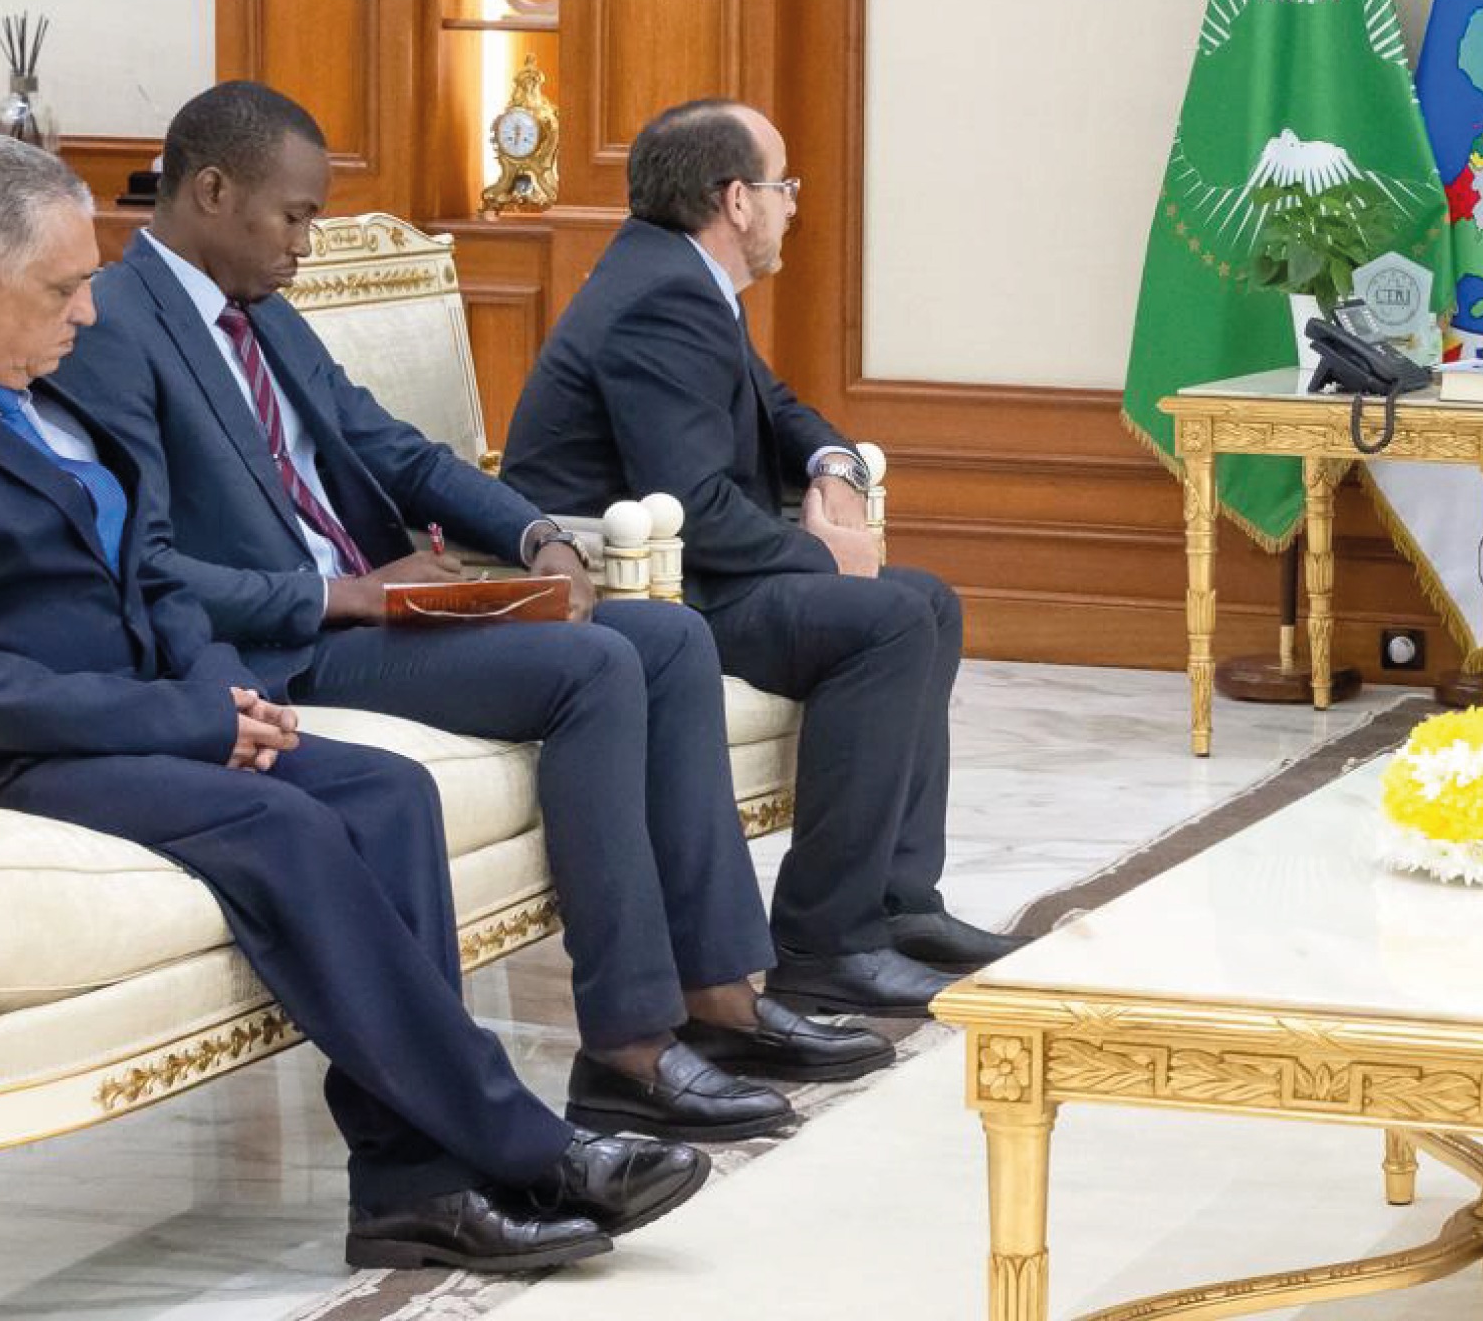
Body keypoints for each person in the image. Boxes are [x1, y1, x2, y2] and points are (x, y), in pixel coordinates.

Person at [0, 133, 705, 1272]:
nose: (89, 316)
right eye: (65, 289)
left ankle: (411, 1190)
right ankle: (524, 1144)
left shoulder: (41, 394)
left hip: (156, 717)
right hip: (11, 764)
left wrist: (222, 692)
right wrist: (190, 724)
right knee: (290, 822)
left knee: (390, 795)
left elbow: (150, 574)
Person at [50, 82, 889, 1143]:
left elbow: (393, 449)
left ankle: (717, 991)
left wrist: (534, 531)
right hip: (293, 644)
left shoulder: (258, 308)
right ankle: (627, 1047)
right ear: (212, 191)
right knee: (592, 669)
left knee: (667, 637)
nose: (307, 242)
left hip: (389, 601)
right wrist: (342, 594)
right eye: (296, 215)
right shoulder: (116, 326)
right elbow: (149, 565)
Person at [500, 99, 1020, 1017]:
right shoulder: (662, 298)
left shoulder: (683, 276)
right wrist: (824, 558)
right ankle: (827, 940)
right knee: (891, 618)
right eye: (784, 188)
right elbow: (691, 506)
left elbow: (776, 407)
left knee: (927, 602)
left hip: (690, 565)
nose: (793, 207)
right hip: (645, 591)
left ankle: (898, 904)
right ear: (736, 201)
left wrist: (832, 464)